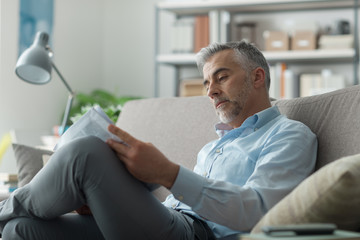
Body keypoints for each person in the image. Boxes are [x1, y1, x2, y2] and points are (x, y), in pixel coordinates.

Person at [0, 41, 317, 240]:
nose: (210, 91)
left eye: (221, 77)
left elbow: (257, 211)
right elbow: (173, 207)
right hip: (170, 221)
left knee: (87, 152)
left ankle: (4, 209)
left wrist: (168, 173)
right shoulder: (213, 147)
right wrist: (105, 202)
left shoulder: (290, 135)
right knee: (22, 231)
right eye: (207, 82)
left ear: (257, 77)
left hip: (196, 235)